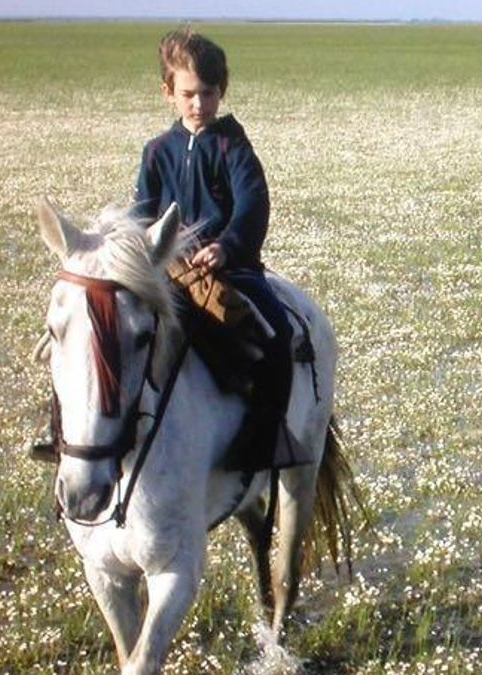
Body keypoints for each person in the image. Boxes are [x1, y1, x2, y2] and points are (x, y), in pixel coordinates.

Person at [132, 26, 302, 472]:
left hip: (230, 269)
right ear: (167, 91)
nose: (199, 104)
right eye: (189, 93)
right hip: (169, 272)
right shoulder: (157, 152)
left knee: (279, 336)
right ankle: (71, 434)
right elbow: (142, 215)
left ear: (221, 92)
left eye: (209, 93)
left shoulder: (233, 145)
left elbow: (252, 204)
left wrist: (226, 248)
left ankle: (263, 440)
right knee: (104, 331)